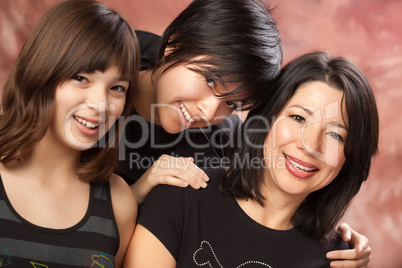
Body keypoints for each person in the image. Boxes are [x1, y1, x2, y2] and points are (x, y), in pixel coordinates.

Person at [117, 0, 371, 264]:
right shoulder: (100, 73)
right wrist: (134, 194)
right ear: (174, 44)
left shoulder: (224, 139)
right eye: (210, 80)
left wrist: (336, 236)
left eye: (231, 103)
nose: (208, 111)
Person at [0, 0, 139, 266]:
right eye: (81, 78)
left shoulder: (119, 202)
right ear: (41, 72)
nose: (100, 105)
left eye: (117, 88)